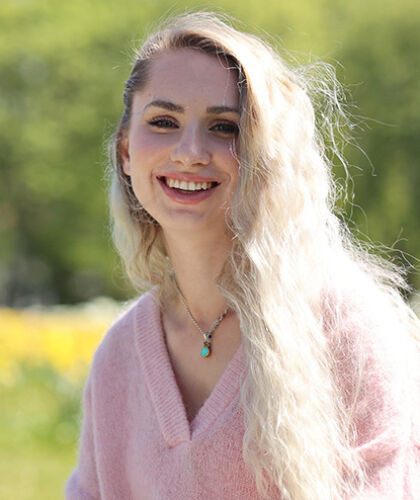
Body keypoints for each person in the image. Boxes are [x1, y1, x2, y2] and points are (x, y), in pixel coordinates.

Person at [65, 11, 420, 500]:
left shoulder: (346, 330)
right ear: (126, 150)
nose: (190, 151)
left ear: (267, 154)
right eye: (164, 122)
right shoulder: (119, 356)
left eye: (225, 128)